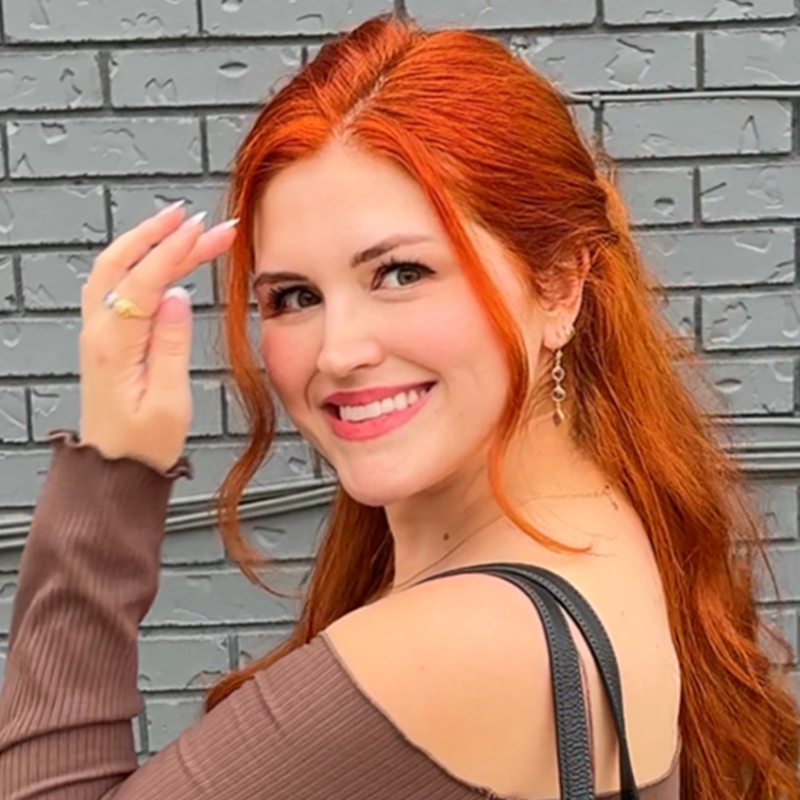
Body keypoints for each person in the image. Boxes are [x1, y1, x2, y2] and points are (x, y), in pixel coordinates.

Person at [0, 12, 797, 800]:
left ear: (559, 284)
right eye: (294, 296)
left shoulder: (466, 647)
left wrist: (113, 468)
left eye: (401, 274)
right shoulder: (600, 525)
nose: (339, 350)